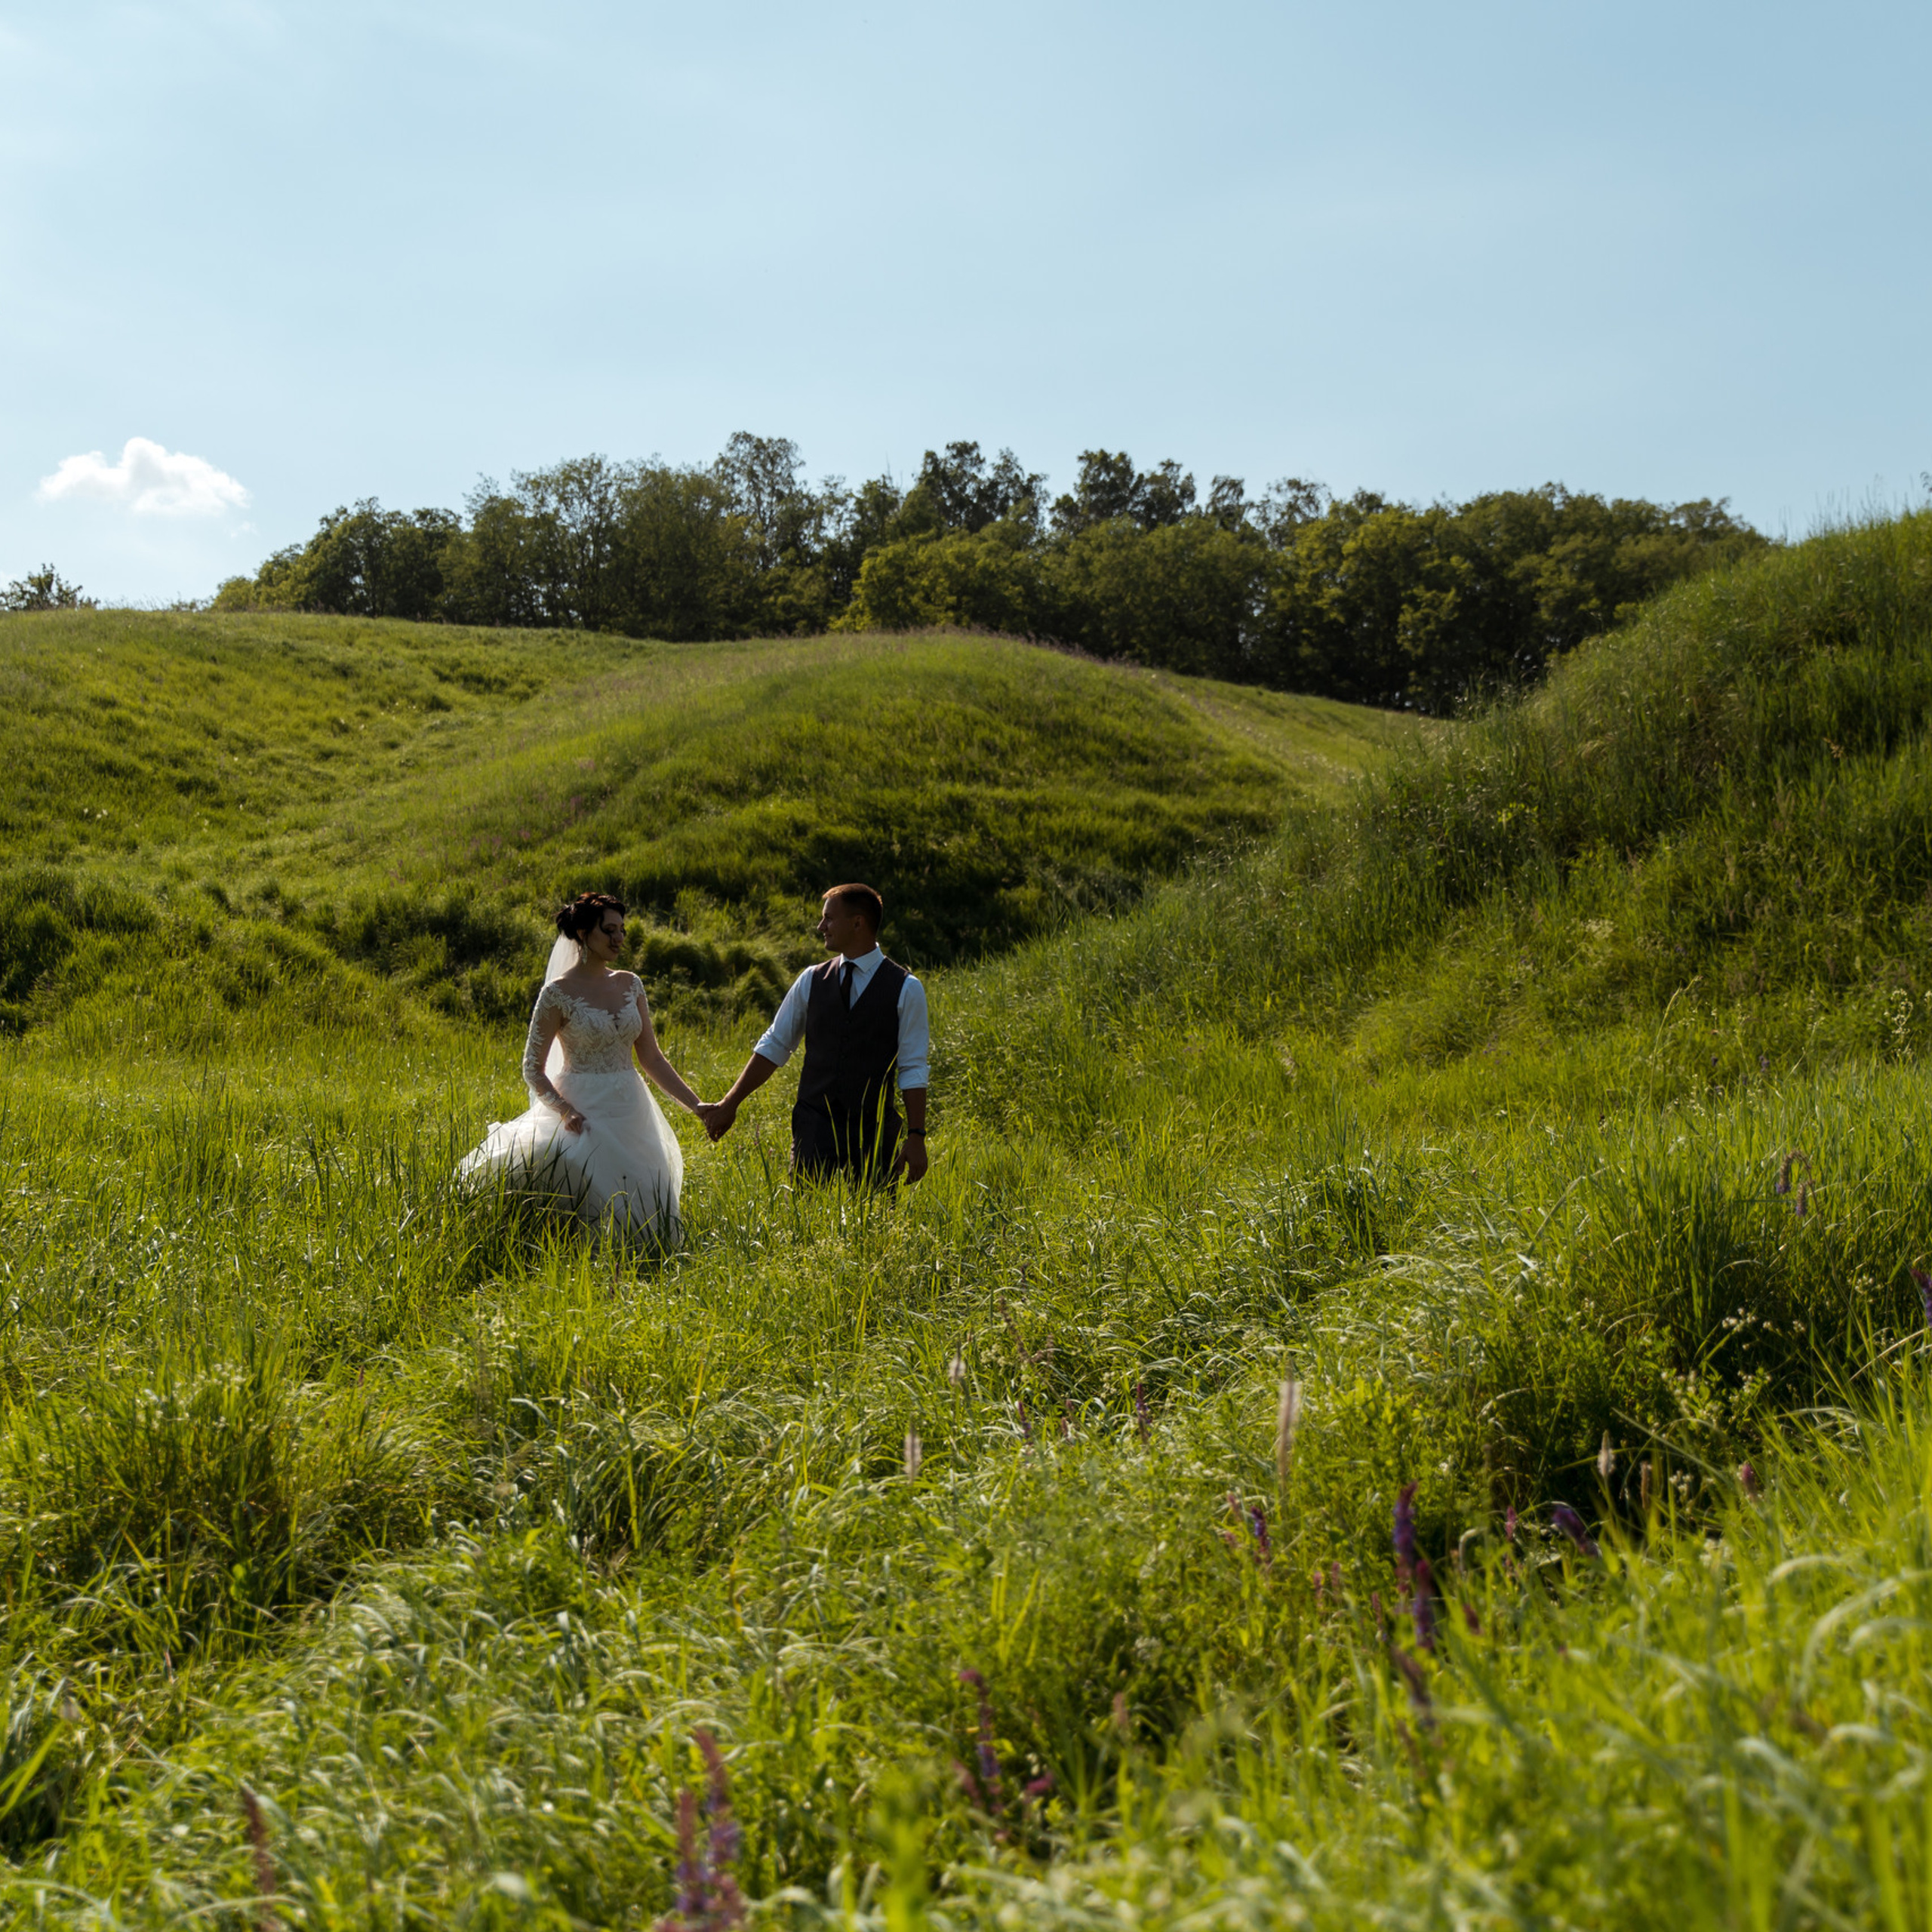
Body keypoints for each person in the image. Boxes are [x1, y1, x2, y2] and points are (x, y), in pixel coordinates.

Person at [459, 892, 706, 1239]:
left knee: (648, 1198)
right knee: (588, 1187)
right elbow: (532, 1067)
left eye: (622, 930)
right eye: (609, 930)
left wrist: (698, 1107)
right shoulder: (557, 993)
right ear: (583, 934)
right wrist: (564, 1110)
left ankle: (649, 1261)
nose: (619, 939)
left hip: (631, 1106)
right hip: (582, 1108)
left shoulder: (630, 984)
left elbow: (651, 1058)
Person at [702, 883, 929, 1186]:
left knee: (872, 1222)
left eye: (829, 919)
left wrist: (916, 1136)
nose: (821, 926)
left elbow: (913, 1067)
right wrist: (729, 1103)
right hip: (814, 1125)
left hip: (872, 1131)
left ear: (858, 923)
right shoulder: (811, 979)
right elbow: (775, 1044)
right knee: (804, 1217)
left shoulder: (906, 987)